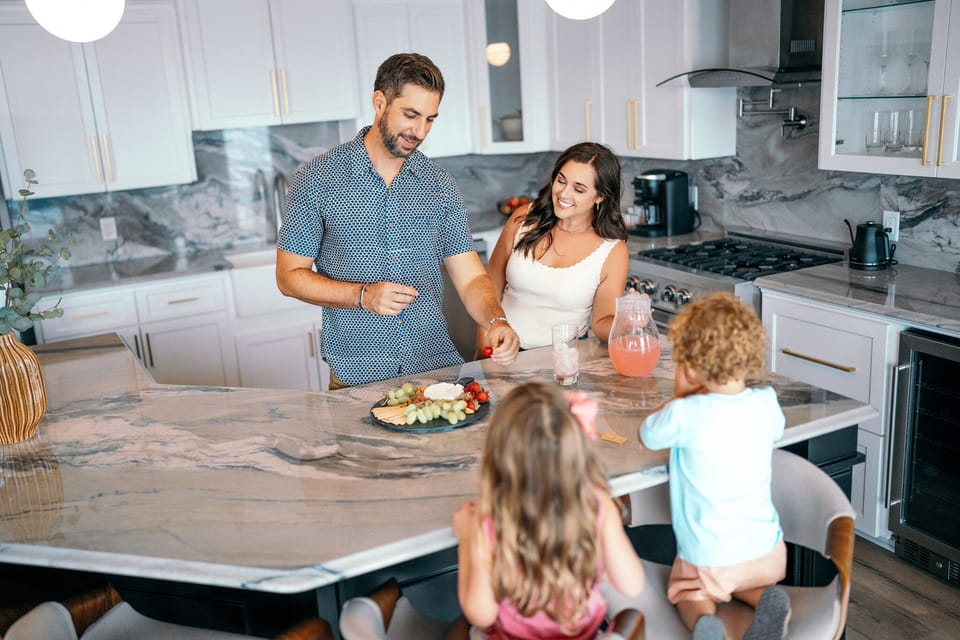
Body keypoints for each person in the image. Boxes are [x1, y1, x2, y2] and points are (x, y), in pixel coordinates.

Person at [276, 53, 520, 388]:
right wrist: (362, 296)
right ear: (379, 102)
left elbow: (469, 278)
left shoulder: (440, 185)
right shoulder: (318, 179)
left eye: (430, 119)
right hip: (356, 374)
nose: (420, 131)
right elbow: (288, 277)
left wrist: (496, 319)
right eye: (410, 115)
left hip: (435, 369)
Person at [638, 292, 790, 640]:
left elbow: (647, 434)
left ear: (690, 369)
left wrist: (679, 396)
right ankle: (767, 598)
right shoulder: (766, 403)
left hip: (709, 557)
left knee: (690, 592)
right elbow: (776, 428)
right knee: (744, 582)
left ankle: (706, 624)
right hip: (767, 551)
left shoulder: (686, 414)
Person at [450, 381, 645, 640]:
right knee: (629, 617)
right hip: (582, 636)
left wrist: (467, 540)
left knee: (461, 628)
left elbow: (481, 614)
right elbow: (633, 585)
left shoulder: (490, 522)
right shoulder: (597, 504)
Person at [477, 142, 629, 354]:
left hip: (565, 361)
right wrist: (484, 350)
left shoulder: (612, 250)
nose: (564, 194)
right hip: (503, 353)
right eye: (561, 181)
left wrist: (629, 321)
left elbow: (602, 323)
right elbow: (489, 288)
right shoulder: (523, 219)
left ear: (600, 197)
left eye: (579, 189)